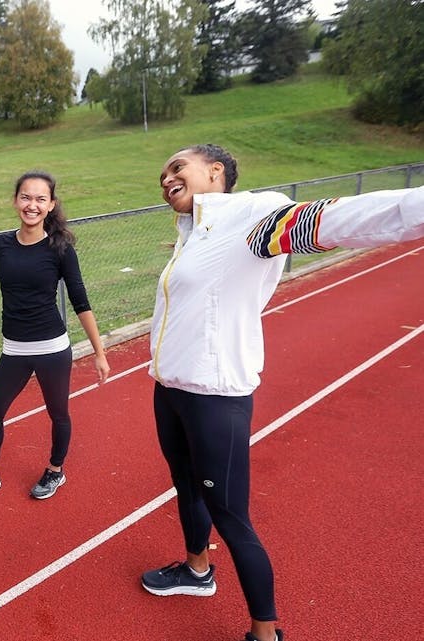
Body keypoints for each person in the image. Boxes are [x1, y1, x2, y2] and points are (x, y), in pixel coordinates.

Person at [141, 143, 424, 641]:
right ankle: (196, 570)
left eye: (177, 166)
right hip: (170, 389)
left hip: (216, 399)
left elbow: (338, 219)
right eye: (163, 173)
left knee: (231, 517)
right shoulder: (191, 236)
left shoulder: (251, 218)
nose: (166, 177)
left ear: (215, 171)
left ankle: (265, 632)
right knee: (186, 487)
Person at [0, 170, 111, 501]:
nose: (32, 205)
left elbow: (81, 301)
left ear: (51, 205)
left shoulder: (60, 248)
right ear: (15, 201)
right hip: (14, 349)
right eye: (26, 197)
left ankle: (55, 470)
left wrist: (99, 352)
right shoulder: (1, 246)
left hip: (52, 348)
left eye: (40, 199)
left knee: (58, 413)